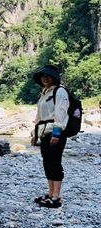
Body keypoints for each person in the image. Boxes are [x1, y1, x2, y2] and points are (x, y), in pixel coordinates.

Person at [31, 65, 69, 209]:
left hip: (55, 132)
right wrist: (35, 134)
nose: (45, 78)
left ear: (54, 77)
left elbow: (61, 113)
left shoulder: (60, 92)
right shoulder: (44, 93)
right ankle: (50, 192)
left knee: (55, 162)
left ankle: (56, 197)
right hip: (44, 132)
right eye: (43, 76)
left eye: (48, 76)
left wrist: (57, 133)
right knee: (47, 162)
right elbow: (39, 116)